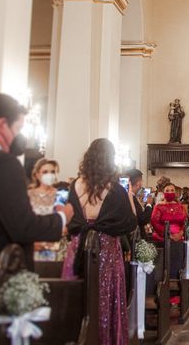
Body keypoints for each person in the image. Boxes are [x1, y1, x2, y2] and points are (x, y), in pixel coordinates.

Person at [0, 93, 72, 310]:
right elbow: (23, 227)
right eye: (17, 128)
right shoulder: (3, 163)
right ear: (1, 125)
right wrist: (62, 217)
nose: (17, 136)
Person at [62, 138, 137, 345]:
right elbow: (129, 223)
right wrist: (130, 198)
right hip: (106, 249)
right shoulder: (115, 189)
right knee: (107, 299)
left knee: (81, 298)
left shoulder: (76, 185)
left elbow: (71, 219)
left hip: (79, 245)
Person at [28, 158, 63, 261]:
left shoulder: (61, 195)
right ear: (37, 174)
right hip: (33, 245)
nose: (49, 174)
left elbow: (64, 222)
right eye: (45, 172)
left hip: (54, 246)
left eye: (52, 171)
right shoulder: (29, 194)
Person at [124, 168, 154, 240]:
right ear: (138, 183)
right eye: (142, 181)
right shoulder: (130, 198)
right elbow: (142, 219)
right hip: (134, 238)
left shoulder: (130, 197)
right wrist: (149, 204)